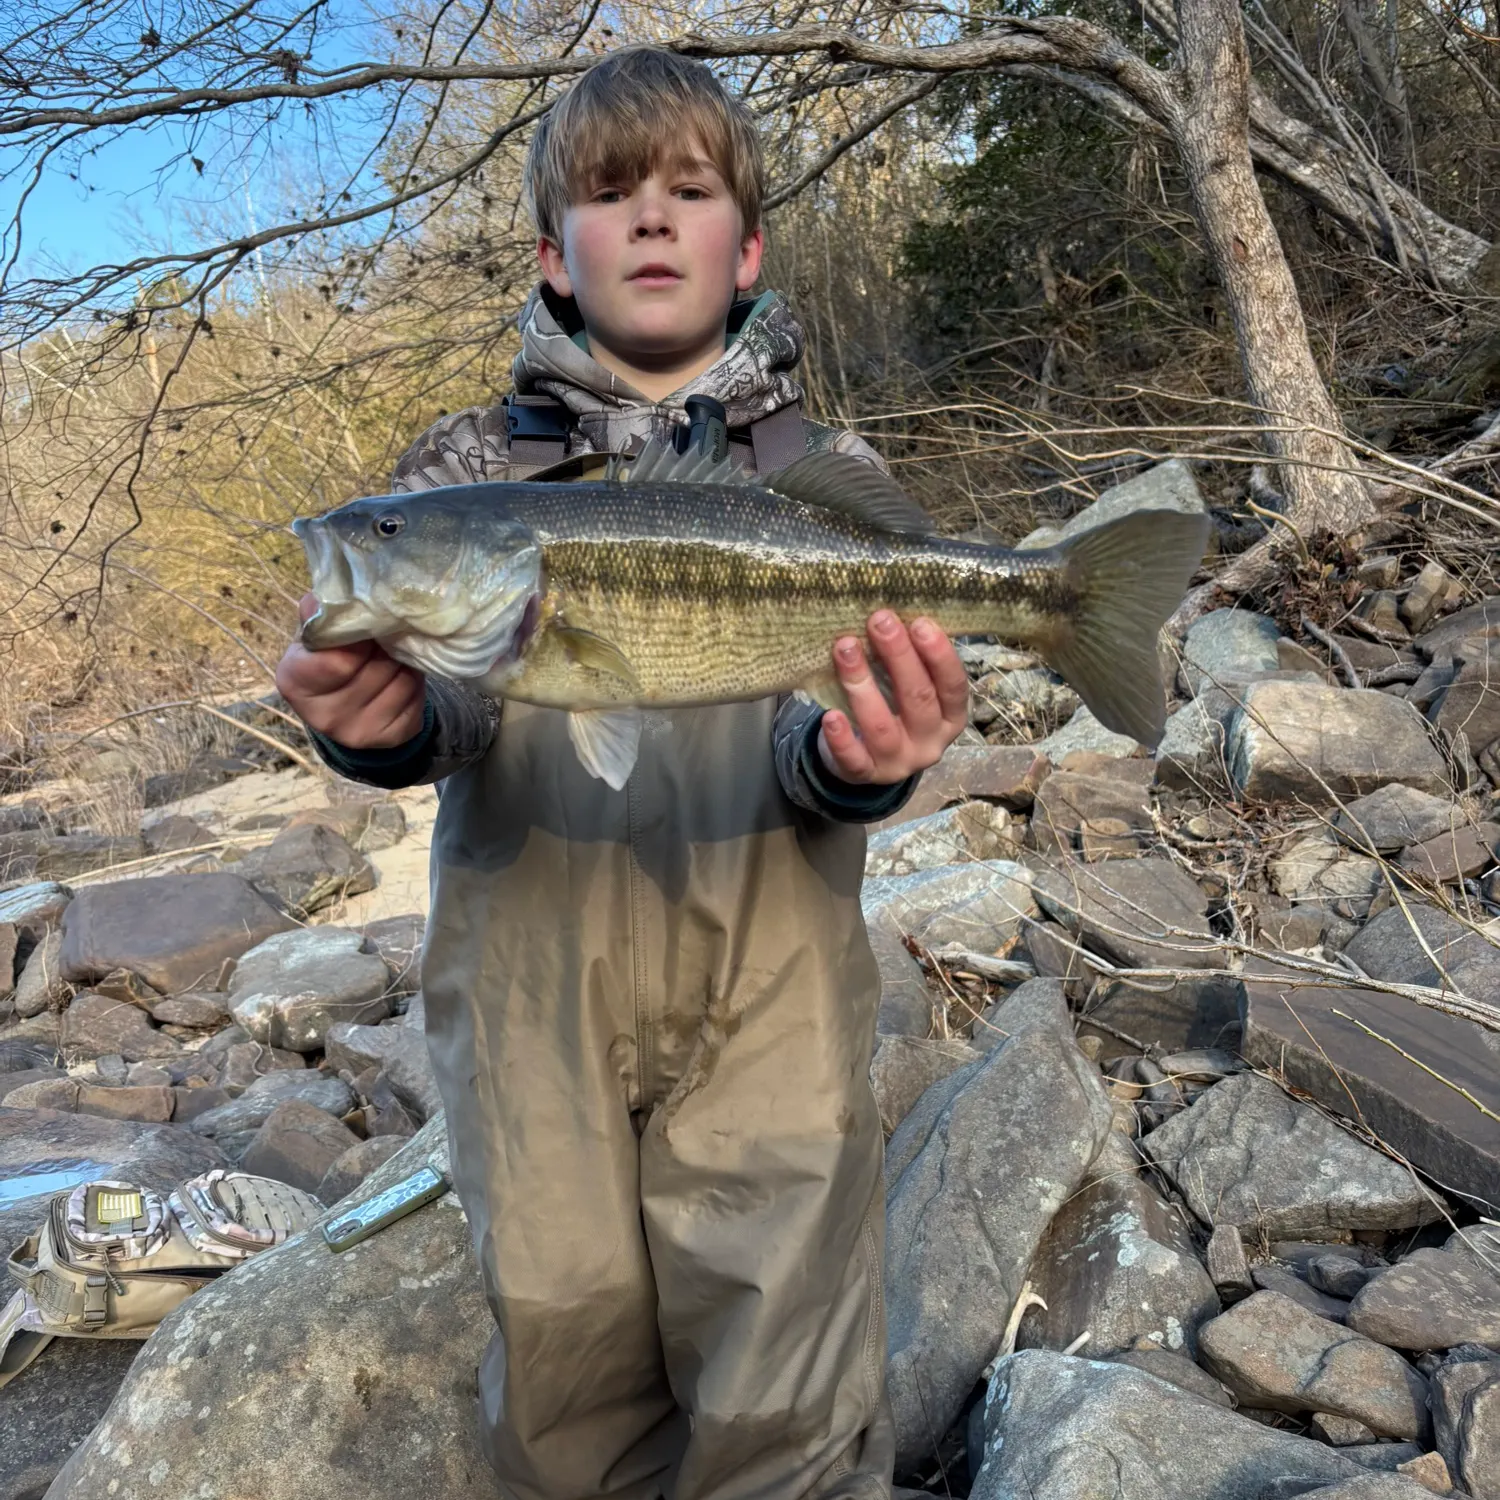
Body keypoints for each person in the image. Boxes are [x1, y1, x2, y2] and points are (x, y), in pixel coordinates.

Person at [275, 46, 970, 1500]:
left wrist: (860, 763)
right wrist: (378, 723)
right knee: (561, 1357)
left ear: (751, 245)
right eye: (609, 193)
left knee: (786, 1365)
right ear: (552, 252)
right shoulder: (464, 466)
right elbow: (451, 712)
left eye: (690, 190)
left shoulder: (819, 468)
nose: (652, 218)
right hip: (533, 990)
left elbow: (818, 731)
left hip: (768, 976)